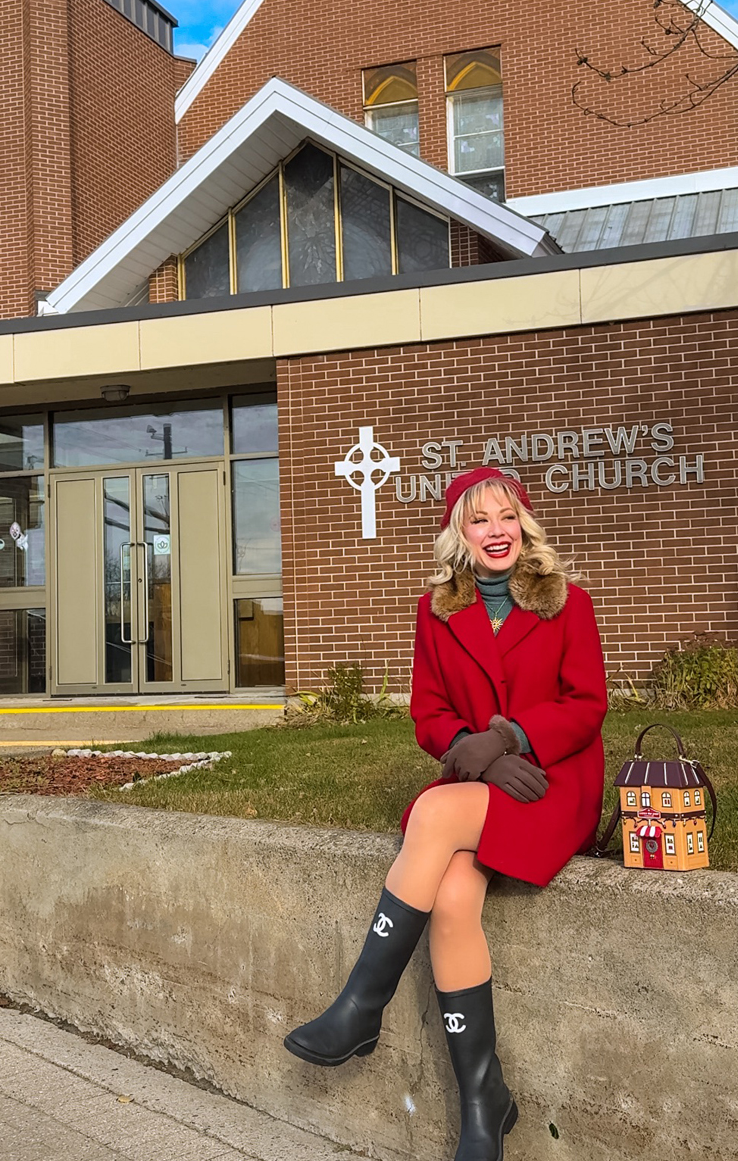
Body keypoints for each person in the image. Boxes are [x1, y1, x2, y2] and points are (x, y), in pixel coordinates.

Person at [285, 467, 607, 1161]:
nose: (497, 530)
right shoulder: (436, 612)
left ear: (525, 523)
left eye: (507, 515)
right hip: (482, 779)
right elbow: (429, 714)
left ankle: (361, 1007)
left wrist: (513, 736)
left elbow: (587, 704)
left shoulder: (567, 603)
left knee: (431, 815)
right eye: (480, 519)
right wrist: (476, 750)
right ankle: (484, 1104)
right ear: (458, 534)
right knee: (455, 894)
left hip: (552, 783)